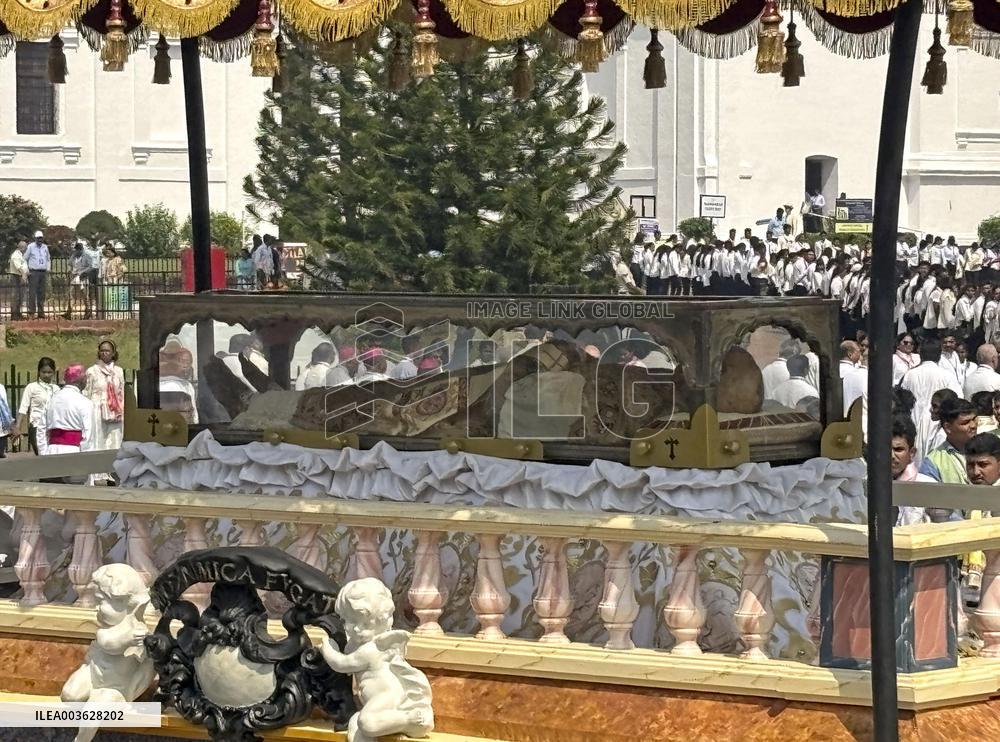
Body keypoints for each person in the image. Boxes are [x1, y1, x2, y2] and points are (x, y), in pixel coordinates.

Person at [919, 397, 978, 483]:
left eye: (974, 419)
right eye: (965, 422)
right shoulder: (933, 463)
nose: (973, 425)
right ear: (948, 427)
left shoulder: (992, 447)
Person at [84, 340, 125, 453]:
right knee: (99, 439)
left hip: (114, 410)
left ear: (113, 353)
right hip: (97, 410)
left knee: (115, 439)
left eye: (107, 351)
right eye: (102, 351)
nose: (104, 353)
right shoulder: (92, 371)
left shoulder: (118, 371)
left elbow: (121, 392)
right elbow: (87, 392)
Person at [891, 415, 933, 526]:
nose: (891, 456)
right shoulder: (865, 485)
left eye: (898, 449)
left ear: (912, 452)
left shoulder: (928, 486)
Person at [46, 364, 93, 455]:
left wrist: (43, 451)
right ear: (82, 380)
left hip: (51, 450)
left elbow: (42, 429)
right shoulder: (85, 403)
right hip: (73, 451)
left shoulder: (52, 400)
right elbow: (88, 435)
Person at [15, 357, 57, 456]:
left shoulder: (56, 389)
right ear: (39, 372)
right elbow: (23, 408)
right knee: (41, 455)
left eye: (49, 372)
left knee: (53, 456)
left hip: (53, 426)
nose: (46, 375)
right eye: (44, 372)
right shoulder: (32, 387)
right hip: (36, 425)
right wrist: (17, 427)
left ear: (53, 372)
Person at [25, 231, 50, 319]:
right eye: (38, 238)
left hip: (42, 272)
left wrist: (48, 268)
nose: (40, 240)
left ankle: (41, 312)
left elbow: (48, 259)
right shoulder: (30, 247)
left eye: (41, 238)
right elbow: (25, 258)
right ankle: (31, 312)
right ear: (35, 238)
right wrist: (27, 270)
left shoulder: (45, 247)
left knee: (42, 293)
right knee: (32, 293)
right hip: (33, 272)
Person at [65, 243, 89, 320]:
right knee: (71, 294)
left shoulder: (86, 257)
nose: (78, 251)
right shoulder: (73, 256)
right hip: (74, 277)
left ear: (82, 249)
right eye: (76, 250)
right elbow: (69, 264)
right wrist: (70, 270)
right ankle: (69, 311)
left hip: (83, 277)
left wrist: (82, 272)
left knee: (85, 295)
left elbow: (90, 267)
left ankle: (87, 311)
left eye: (79, 249)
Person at [101, 246, 128, 316]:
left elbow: (123, 270)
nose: (107, 254)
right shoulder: (107, 261)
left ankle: (118, 311)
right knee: (110, 296)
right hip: (109, 280)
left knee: (117, 295)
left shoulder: (118, 259)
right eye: (107, 253)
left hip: (116, 280)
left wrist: (118, 278)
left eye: (109, 253)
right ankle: (111, 311)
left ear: (113, 253)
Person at [7, 241, 27, 320]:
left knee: (20, 296)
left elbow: (24, 265)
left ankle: (18, 313)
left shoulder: (21, 255)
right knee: (15, 296)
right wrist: (24, 274)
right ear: (22, 247)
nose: (26, 249)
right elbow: (18, 267)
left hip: (20, 276)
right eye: (25, 247)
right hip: (15, 276)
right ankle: (14, 315)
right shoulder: (15, 255)